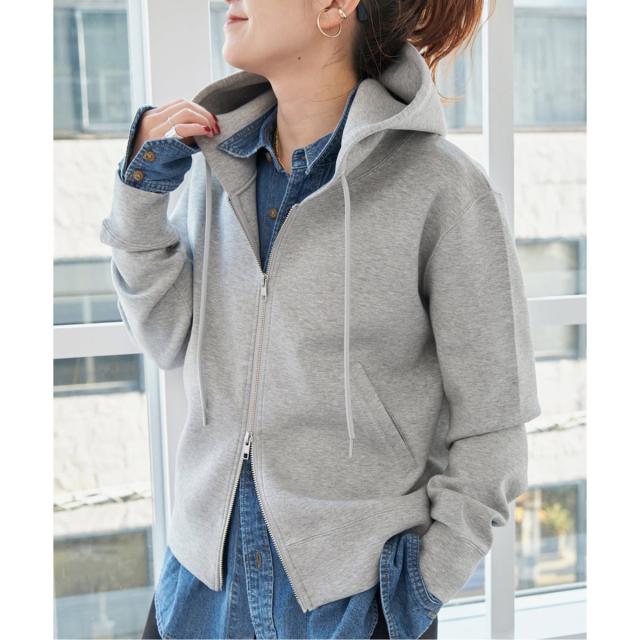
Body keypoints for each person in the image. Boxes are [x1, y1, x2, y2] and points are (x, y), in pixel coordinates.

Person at [99, 1, 541, 638]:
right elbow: (166, 337)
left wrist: (421, 589)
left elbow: (494, 424)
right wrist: (140, 197)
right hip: (200, 588)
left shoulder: (441, 187)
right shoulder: (214, 168)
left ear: (336, 5)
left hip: (350, 599)